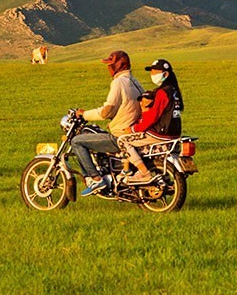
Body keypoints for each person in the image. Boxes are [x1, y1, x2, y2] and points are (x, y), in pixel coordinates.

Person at [72, 50, 144, 196]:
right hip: (133, 132)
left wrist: (84, 114)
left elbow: (107, 111)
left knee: (77, 141)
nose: (108, 68)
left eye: (111, 64)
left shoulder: (118, 83)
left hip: (119, 134)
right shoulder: (135, 82)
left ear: (118, 65)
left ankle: (96, 179)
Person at [117, 58, 184, 181]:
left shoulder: (162, 92)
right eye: (151, 72)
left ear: (165, 74)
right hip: (174, 133)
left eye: (155, 72)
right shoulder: (173, 91)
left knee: (122, 141)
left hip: (160, 133)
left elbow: (153, 117)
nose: (152, 75)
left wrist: (133, 129)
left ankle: (143, 173)